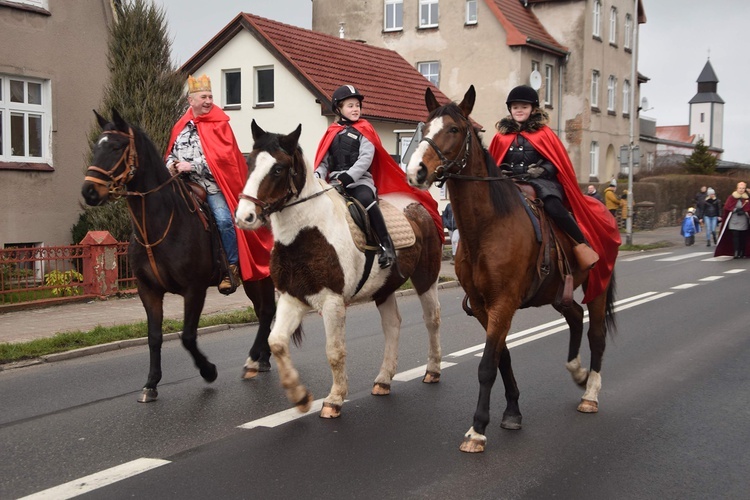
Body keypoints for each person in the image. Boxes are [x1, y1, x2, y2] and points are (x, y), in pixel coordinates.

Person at [489, 85, 620, 280]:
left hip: (541, 182)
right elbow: (494, 162)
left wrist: (541, 170)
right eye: (515, 106)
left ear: (533, 109)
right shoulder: (501, 137)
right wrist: (500, 170)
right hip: (510, 183)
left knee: (554, 207)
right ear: (510, 109)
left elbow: (555, 161)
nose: (519, 110)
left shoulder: (544, 134)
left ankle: (582, 245)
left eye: (524, 107)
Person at [314, 84, 442, 268]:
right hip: (334, 181)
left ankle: (386, 245)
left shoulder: (365, 129)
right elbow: (324, 162)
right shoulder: (331, 132)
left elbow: (366, 158)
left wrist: (349, 177)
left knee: (367, 200)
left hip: (359, 181)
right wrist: (317, 176)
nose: (355, 109)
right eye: (350, 106)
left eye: (357, 105)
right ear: (339, 108)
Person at [166, 74, 273, 293]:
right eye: (203, 97)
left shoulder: (220, 124)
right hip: (182, 185)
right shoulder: (181, 126)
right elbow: (169, 154)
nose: (208, 101)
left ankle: (230, 267)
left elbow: (223, 159)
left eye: (210, 96)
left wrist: (191, 166)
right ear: (191, 100)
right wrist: (172, 165)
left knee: (224, 220)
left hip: (211, 186)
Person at [715, 181, 750, 259]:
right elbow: (727, 207)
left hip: (743, 220)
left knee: (742, 236)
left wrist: (745, 211)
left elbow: (748, 208)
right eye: (740, 188)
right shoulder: (732, 197)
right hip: (734, 220)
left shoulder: (746, 198)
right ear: (737, 188)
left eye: (743, 188)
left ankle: (742, 251)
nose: (741, 190)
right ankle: (736, 252)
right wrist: (735, 210)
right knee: (735, 236)